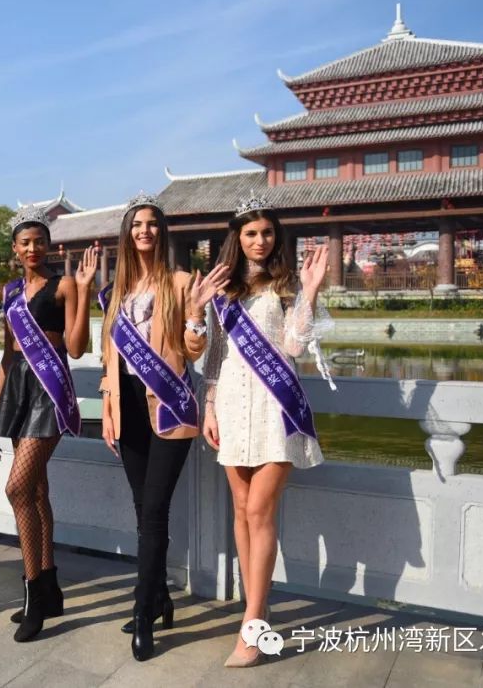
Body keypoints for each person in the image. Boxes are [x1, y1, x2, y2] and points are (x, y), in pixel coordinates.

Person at [200, 195, 333, 667]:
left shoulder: (287, 283)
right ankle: (255, 602)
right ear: (237, 238)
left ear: (277, 237)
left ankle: (253, 625)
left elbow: (294, 346)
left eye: (268, 233)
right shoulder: (222, 286)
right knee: (241, 510)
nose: (260, 241)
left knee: (259, 510)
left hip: (277, 406)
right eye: (251, 233)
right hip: (232, 404)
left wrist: (310, 290)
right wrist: (210, 406)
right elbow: (215, 353)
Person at [99, 191, 225, 661]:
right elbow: (109, 358)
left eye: (151, 223)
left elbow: (193, 351)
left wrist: (195, 315)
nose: (144, 230)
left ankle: (142, 610)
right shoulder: (117, 291)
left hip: (169, 405)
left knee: (153, 510)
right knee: (143, 509)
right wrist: (108, 409)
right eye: (136, 224)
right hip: (128, 408)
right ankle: (159, 597)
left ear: (161, 231)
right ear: (127, 233)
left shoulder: (181, 282)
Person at [0, 205, 98, 642]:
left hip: (49, 392)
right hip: (18, 390)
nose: (33, 248)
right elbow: (7, 356)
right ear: (15, 248)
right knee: (35, 491)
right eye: (25, 242)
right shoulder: (12, 292)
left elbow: (77, 347)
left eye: (39, 242)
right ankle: (49, 586)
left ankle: (33, 593)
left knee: (16, 489)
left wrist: (83, 291)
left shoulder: (62, 285)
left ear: (49, 245)